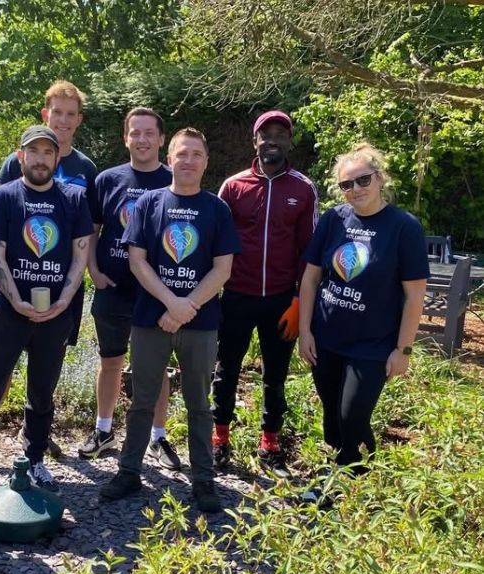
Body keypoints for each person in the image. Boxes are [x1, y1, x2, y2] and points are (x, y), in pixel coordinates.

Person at [100, 128, 241, 513]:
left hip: (200, 322)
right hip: (151, 319)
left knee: (199, 402)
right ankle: (129, 471)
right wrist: (170, 302)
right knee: (142, 400)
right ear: (171, 158)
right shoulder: (148, 203)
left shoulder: (217, 209)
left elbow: (223, 268)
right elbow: (137, 260)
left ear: (206, 161)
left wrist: (187, 305)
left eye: (197, 154)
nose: (189, 161)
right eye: (182, 154)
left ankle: (203, 480)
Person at [0, 125, 93, 493]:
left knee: (42, 392)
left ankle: (36, 458)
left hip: (55, 314)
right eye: (33, 151)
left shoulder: (73, 198)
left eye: (47, 152)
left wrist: (63, 301)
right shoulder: (5, 197)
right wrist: (17, 301)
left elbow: (81, 253)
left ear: (57, 159)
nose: (40, 158)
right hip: (8, 311)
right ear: (21, 155)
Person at [299, 142, 428, 474]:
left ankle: (342, 484)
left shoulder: (404, 228)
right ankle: (356, 474)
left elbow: (415, 296)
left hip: (372, 345)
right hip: (326, 340)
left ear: (380, 178)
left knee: (351, 415)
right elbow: (311, 278)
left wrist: (404, 350)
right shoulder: (333, 220)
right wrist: (304, 331)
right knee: (332, 417)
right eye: (346, 184)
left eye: (362, 180)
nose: (354, 189)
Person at [0, 80, 97, 459]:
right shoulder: (11, 174)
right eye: (57, 112)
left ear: (78, 120)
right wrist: (13, 296)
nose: (63, 120)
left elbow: (87, 233)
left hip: (60, 297)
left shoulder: (84, 171)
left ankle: (33, 444)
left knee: (44, 379)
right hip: (11, 294)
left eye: (71, 114)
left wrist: (75, 289)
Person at [210, 110, 317, 476]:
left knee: (276, 374)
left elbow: (310, 250)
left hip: (281, 300)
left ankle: (270, 443)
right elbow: (217, 243)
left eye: (280, 134)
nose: (273, 140)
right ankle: (219, 439)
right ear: (254, 140)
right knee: (226, 370)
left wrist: (300, 300)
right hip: (236, 296)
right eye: (265, 134)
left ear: (289, 142)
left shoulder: (302, 188)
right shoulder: (233, 186)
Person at [80, 107, 180, 470]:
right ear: (125, 138)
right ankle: (103, 431)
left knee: (155, 367)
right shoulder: (108, 179)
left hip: (154, 294)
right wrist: (93, 269)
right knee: (110, 361)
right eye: (134, 133)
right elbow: (92, 229)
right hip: (113, 287)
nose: (141, 139)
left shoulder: (174, 180)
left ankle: (158, 436)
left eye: (149, 133)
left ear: (161, 139)